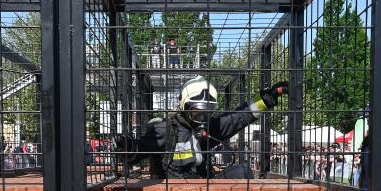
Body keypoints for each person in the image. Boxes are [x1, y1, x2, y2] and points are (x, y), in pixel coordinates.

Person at [114, 75, 287, 179]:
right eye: (197, 113)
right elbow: (139, 150)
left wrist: (267, 99)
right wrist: (126, 146)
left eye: (207, 113)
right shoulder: (166, 130)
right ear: (184, 107)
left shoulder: (209, 128)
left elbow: (238, 118)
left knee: (243, 171)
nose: (202, 118)